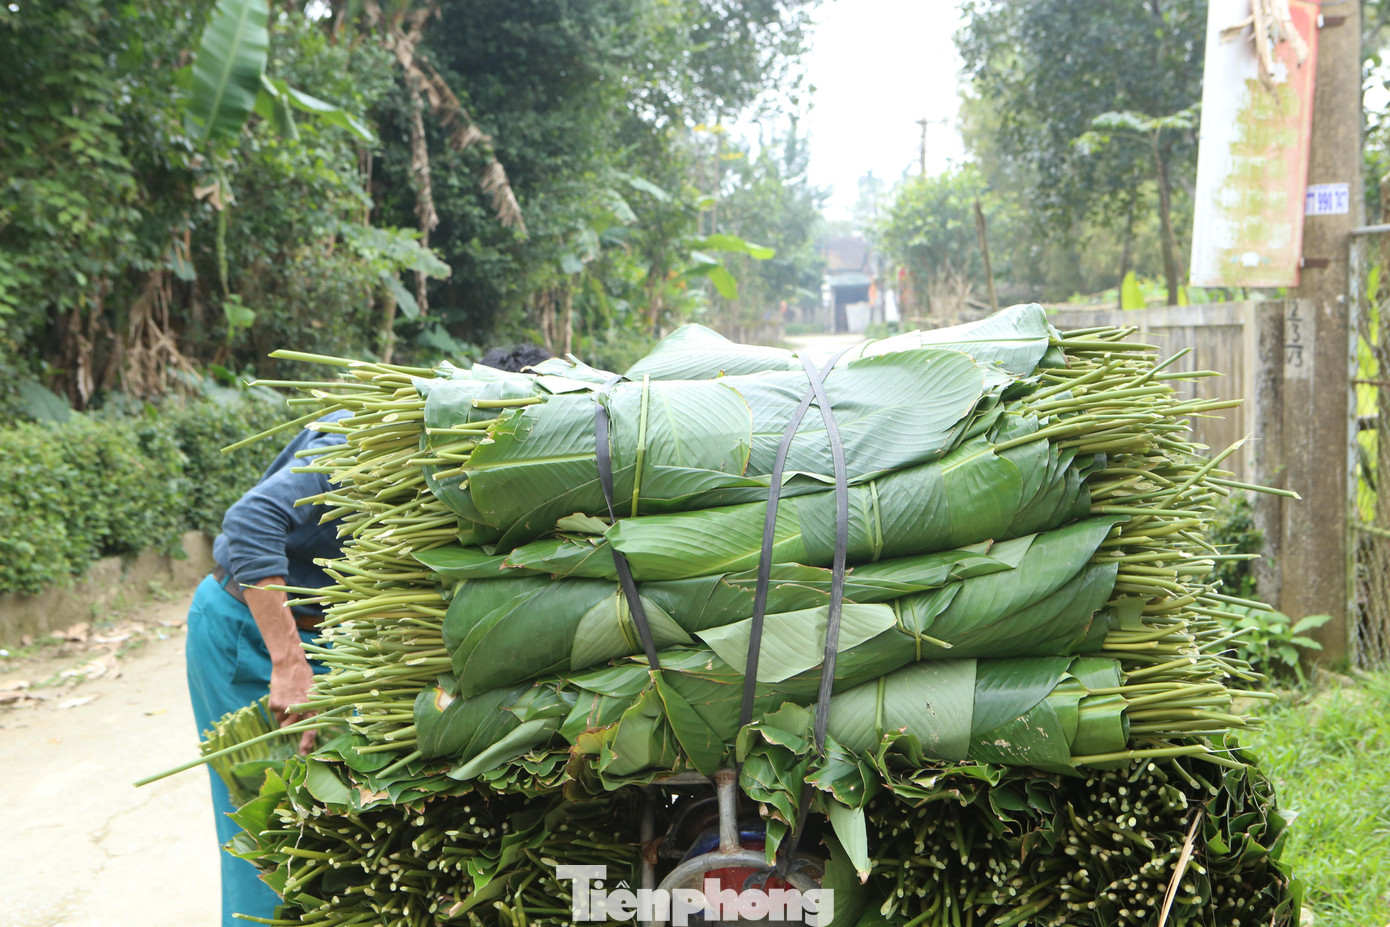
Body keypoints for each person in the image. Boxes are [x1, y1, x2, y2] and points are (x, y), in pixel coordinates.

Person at [186, 345, 551, 927]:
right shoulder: (368, 436)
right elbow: (250, 520)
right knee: (266, 817)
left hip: (328, 630)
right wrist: (288, 663)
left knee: (332, 815)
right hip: (251, 627)